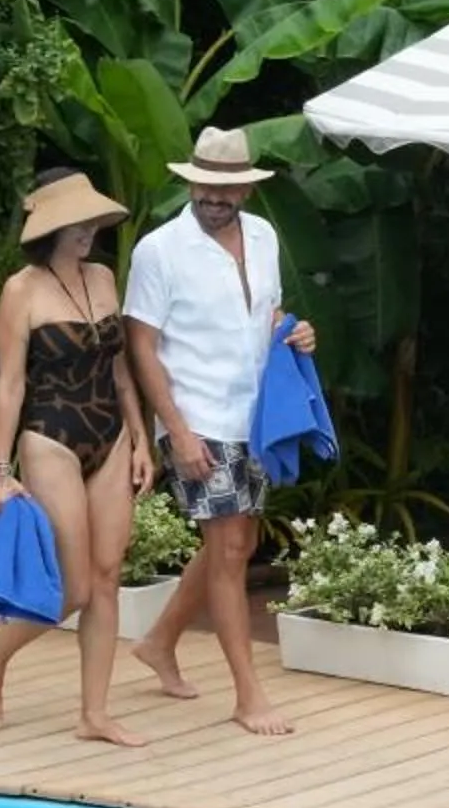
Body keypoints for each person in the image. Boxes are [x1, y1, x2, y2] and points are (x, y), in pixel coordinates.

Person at [125, 126, 315, 737]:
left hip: (255, 417)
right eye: (204, 184)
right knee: (231, 552)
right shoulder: (159, 250)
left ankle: (159, 641)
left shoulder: (263, 236)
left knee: (234, 544)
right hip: (198, 417)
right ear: (190, 183)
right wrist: (177, 432)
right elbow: (142, 345)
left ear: (246, 190)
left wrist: (294, 329)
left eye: (226, 187)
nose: (213, 195)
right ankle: (248, 696)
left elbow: (265, 313)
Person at [0, 169, 156, 745]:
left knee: (107, 578)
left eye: (92, 221)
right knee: (73, 588)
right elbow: (9, 387)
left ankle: (93, 714)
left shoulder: (103, 276)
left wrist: (141, 439)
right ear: (51, 227)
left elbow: (120, 371)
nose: (88, 231)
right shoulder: (20, 290)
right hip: (50, 438)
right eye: (78, 223)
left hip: (110, 435)